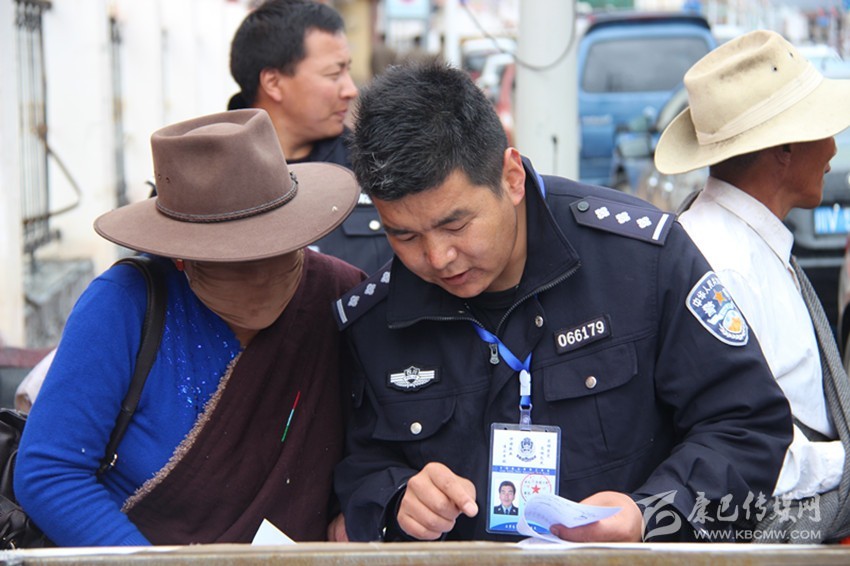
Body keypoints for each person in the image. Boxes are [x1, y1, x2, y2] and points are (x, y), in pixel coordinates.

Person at [331, 61, 793, 543]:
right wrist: (398, 499)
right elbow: (356, 469)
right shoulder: (374, 319)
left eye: (456, 225)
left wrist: (649, 515)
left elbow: (746, 424)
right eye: (404, 236)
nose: (437, 257)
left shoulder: (642, 261)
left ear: (511, 177)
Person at [14, 108, 365, 546]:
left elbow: (380, 448)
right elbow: (51, 472)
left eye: (275, 250)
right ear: (180, 256)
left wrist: (358, 506)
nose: (259, 276)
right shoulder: (125, 304)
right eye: (231, 261)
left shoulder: (339, 295)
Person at [654, 30, 850, 543]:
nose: (833, 148)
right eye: (822, 129)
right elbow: (751, 454)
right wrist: (844, 461)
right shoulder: (726, 264)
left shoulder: (736, 245)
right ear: (783, 148)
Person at [228, 0, 393, 274]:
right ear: (273, 83)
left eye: (348, 70)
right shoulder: (202, 178)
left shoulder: (376, 167)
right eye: (334, 74)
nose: (351, 90)